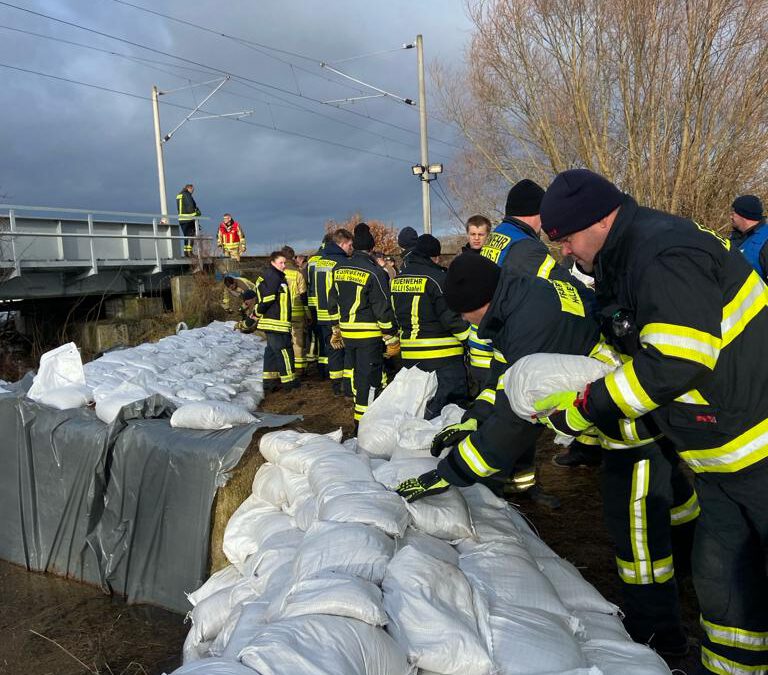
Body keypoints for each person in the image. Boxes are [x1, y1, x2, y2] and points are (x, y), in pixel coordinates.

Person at [396, 252, 697, 656]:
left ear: (477, 304)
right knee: (674, 496)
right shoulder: (525, 294)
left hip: (628, 419)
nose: (466, 324)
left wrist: (453, 471)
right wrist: (477, 414)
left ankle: (661, 633)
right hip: (628, 395)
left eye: (465, 315)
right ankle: (691, 556)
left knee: (635, 525)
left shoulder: (530, 323)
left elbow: (514, 422)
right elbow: (507, 374)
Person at [536, 169, 768, 675]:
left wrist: (594, 403)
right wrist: (579, 385)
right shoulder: (622, 261)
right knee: (724, 583)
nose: (566, 253)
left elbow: (676, 360)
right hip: (720, 457)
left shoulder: (661, 252)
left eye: (568, 240)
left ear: (599, 220)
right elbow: (627, 341)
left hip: (756, 447)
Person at [391, 234, 470, 419]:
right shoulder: (437, 278)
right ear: (435, 256)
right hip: (442, 355)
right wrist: (470, 338)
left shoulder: (398, 279)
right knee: (449, 409)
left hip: (410, 356)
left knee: (417, 406)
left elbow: (393, 312)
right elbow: (450, 317)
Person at [330, 223, 399, 423]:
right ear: (370, 248)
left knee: (353, 371)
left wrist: (336, 327)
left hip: (347, 333)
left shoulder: (339, 269)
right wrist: (391, 336)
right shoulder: (375, 272)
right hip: (369, 334)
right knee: (369, 377)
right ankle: (363, 421)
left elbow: (332, 300)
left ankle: (356, 403)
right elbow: (382, 308)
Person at [313, 229, 353, 394]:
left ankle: (336, 386)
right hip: (338, 315)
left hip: (322, 315)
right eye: (350, 245)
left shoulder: (321, 262)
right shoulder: (341, 263)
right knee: (344, 351)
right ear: (342, 243)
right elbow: (340, 292)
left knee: (332, 351)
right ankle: (345, 386)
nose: (351, 248)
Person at [461, 215, 495, 395]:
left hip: (494, 337)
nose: (476, 238)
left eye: (481, 234)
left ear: (488, 235)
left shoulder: (496, 260)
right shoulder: (461, 262)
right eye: (473, 233)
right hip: (472, 340)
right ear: (467, 234)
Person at [255, 251, 298, 392]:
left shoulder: (274, 275)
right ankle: (289, 382)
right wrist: (256, 314)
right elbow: (268, 298)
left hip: (274, 322)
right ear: (272, 262)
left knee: (272, 352)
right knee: (283, 351)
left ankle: (269, 382)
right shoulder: (273, 276)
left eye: (285, 262)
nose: (284, 265)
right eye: (281, 263)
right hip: (276, 322)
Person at [281, 245, 309, 377]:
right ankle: (299, 369)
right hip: (297, 313)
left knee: (283, 341)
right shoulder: (297, 274)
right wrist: (308, 314)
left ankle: (286, 367)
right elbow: (303, 296)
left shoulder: (278, 273)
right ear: (292, 258)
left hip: (281, 314)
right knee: (298, 341)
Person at [730, 194, 768, 281]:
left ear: (743, 215)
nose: (731, 217)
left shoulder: (765, 241)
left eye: (733, 214)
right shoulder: (735, 238)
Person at [176, 184, 201, 256]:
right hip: (188, 219)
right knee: (191, 235)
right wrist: (196, 214)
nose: (192, 192)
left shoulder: (179, 195)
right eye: (192, 190)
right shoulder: (187, 195)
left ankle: (186, 252)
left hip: (181, 219)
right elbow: (190, 207)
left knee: (186, 236)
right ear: (189, 188)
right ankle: (189, 253)